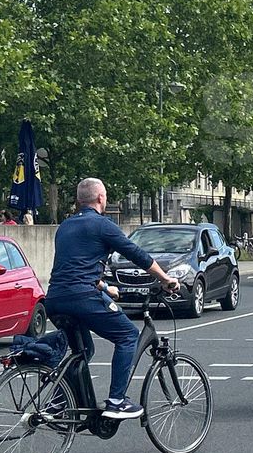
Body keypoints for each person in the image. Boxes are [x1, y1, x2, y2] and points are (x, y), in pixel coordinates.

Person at [46, 178, 177, 419]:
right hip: (82, 297)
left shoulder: (65, 226)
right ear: (100, 198)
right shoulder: (102, 225)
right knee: (127, 336)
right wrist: (164, 278)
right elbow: (136, 253)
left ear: (78, 200)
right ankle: (117, 401)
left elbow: (76, 267)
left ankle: (55, 404)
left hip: (55, 299)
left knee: (83, 351)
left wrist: (105, 287)